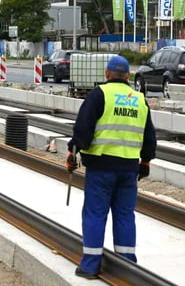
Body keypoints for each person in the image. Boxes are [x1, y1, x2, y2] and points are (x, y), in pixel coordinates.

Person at [66, 55, 157, 279]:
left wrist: (73, 152)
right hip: (129, 169)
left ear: (107, 74)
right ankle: (127, 266)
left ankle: (90, 266)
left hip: (100, 168)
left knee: (95, 214)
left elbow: (83, 129)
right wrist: (145, 162)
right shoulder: (139, 99)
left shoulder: (99, 95)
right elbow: (149, 137)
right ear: (128, 76)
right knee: (125, 215)